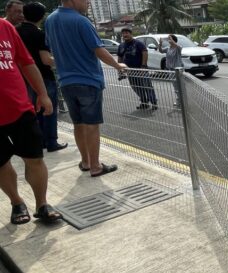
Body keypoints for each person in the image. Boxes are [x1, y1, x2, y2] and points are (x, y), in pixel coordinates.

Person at [45, 0, 127, 177]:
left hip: (66, 81)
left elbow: (51, 48)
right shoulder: (81, 21)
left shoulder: (50, 20)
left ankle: (85, 162)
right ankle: (96, 166)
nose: (89, 2)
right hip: (88, 81)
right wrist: (118, 65)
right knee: (91, 125)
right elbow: (99, 50)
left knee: (78, 124)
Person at [0, 18, 63, 224]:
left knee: (35, 158)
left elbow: (26, 62)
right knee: (1, 163)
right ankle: (17, 202)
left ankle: (42, 204)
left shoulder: (5, 26)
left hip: (19, 108)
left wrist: (42, 94)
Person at [17, 1, 67, 152]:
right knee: (49, 110)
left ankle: (39, 141)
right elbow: (46, 60)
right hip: (43, 77)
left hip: (23, 78)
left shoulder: (15, 31)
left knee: (33, 110)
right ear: (41, 16)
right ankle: (51, 142)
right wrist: (60, 61)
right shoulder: (38, 34)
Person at [117, 28, 157, 110]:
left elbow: (145, 53)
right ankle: (144, 102)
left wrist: (143, 66)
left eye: (127, 33)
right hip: (130, 71)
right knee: (136, 87)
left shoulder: (138, 43)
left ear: (131, 34)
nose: (125, 35)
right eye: (123, 33)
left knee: (147, 86)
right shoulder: (121, 46)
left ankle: (154, 103)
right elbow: (120, 57)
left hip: (141, 70)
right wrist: (119, 69)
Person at [159, 34, 182, 107]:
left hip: (177, 70)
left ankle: (182, 101)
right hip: (170, 70)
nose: (168, 40)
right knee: (175, 87)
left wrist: (171, 40)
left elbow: (178, 47)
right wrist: (160, 44)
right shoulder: (168, 48)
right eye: (168, 39)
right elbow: (161, 51)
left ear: (174, 40)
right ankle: (179, 100)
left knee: (180, 86)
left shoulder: (178, 48)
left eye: (170, 39)